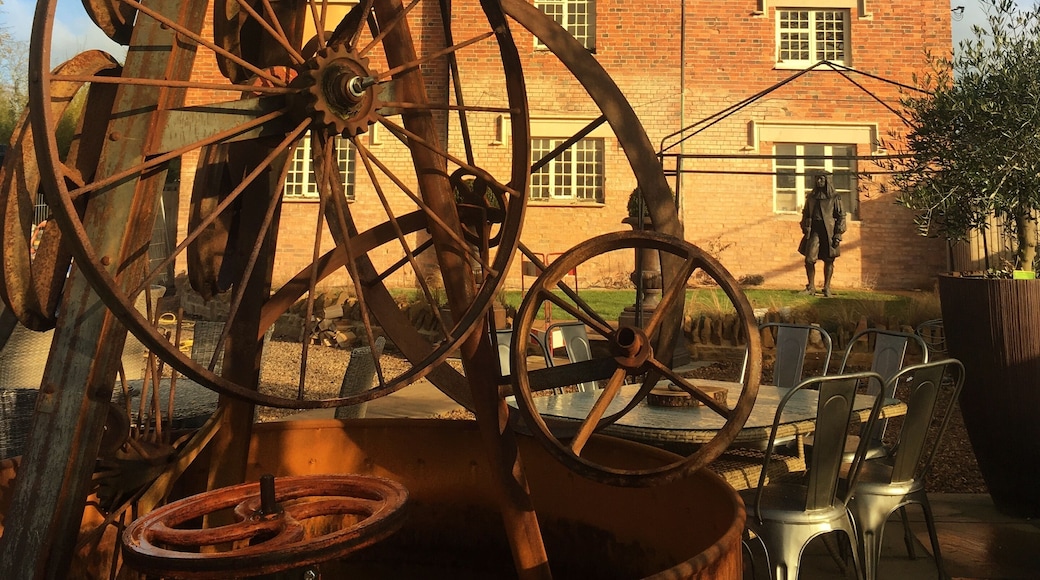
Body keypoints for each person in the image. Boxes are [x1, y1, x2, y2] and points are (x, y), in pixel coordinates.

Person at [798, 173, 846, 297]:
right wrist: (805, 226)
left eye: (821, 179)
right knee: (809, 259)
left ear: (827, 181)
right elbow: (806, 213)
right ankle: (811, 287)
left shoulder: (835, 197)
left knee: (829, 260)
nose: (819, 181)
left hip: (829, 231)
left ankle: (827, 287)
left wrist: (838, 233)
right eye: (817, 178)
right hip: (814, 231)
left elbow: (841, 216)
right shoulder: (811, 197)